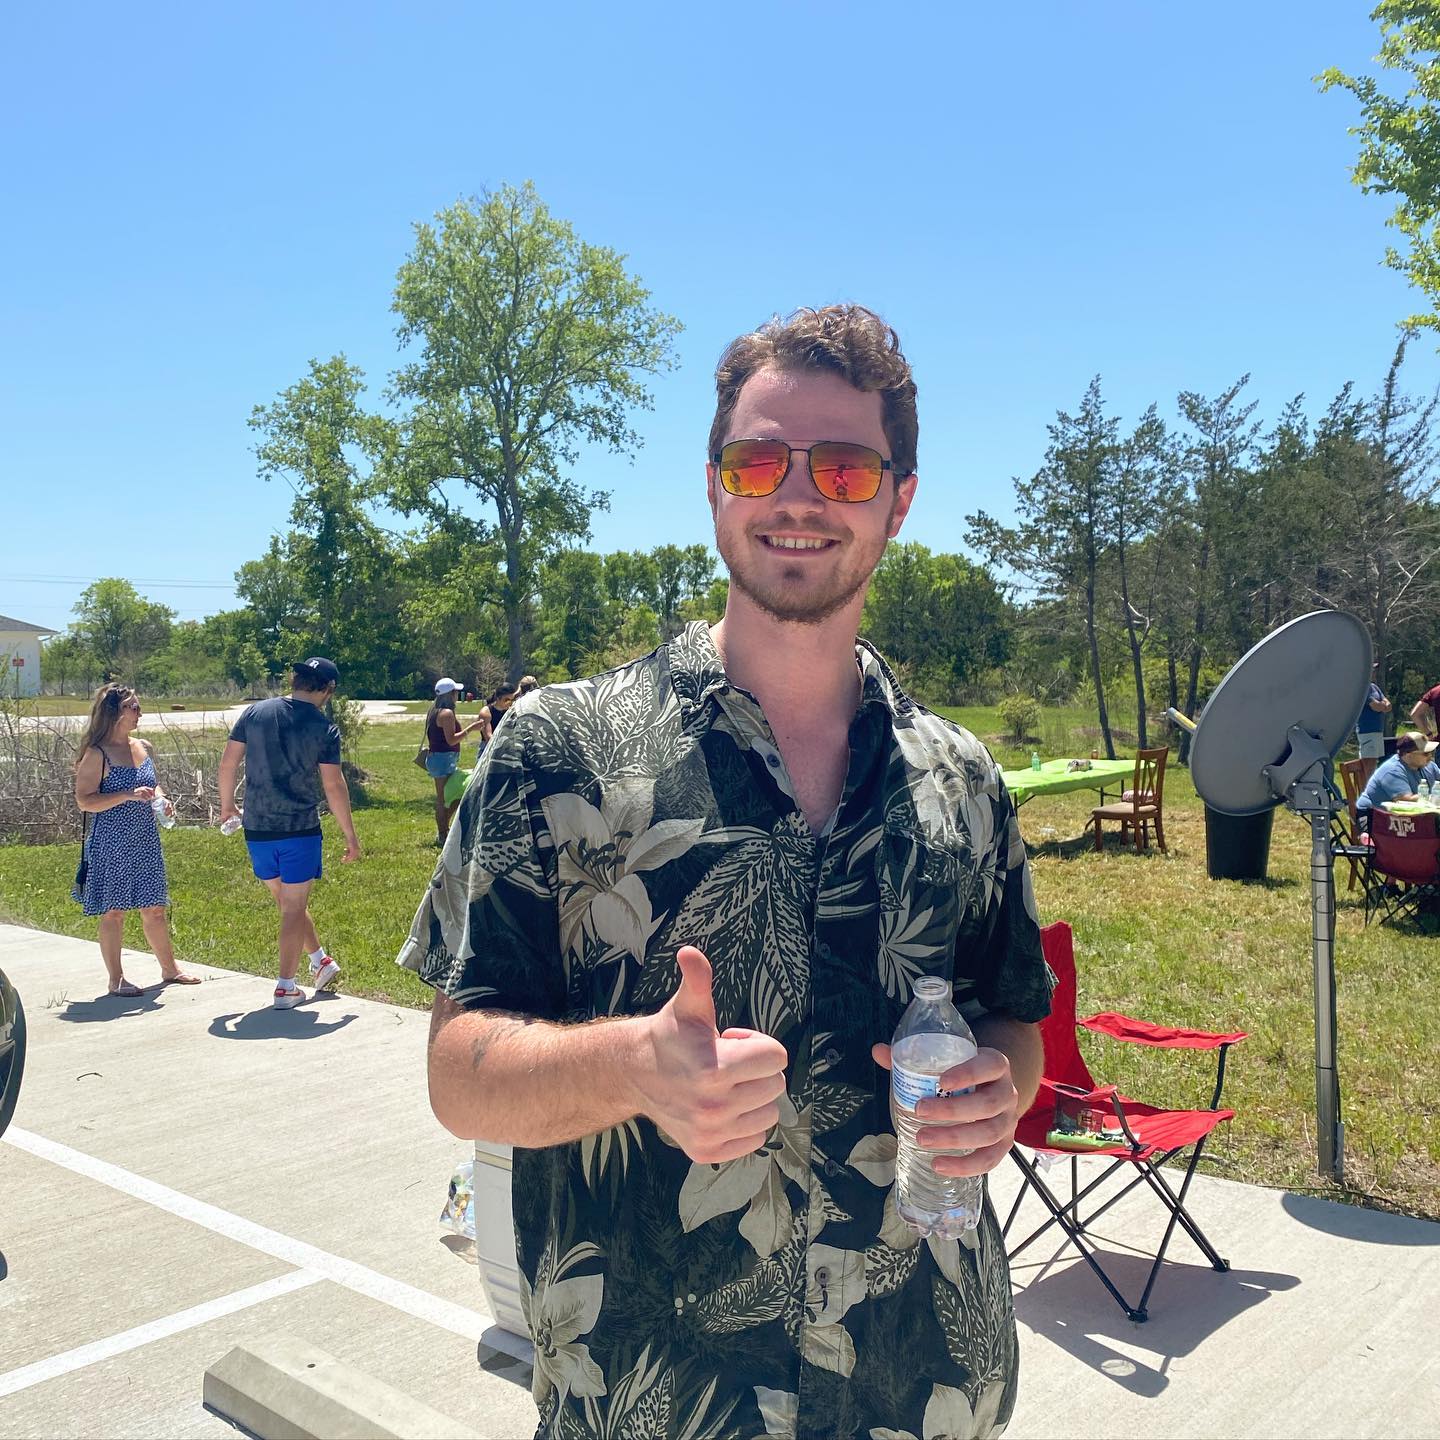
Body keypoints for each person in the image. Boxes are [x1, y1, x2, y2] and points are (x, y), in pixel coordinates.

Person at [402, 305, 1048, 1438]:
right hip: (653, 1400)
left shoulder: (963, 779)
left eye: (845, 469)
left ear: (899, 501)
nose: (798, 497)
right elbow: (461, 1073)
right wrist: (635, 1067)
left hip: (926, 1386)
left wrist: (999, 1093)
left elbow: (1014, 1024)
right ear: (714, 488)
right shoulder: (557, 751)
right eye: (759, 461)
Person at [218, 657, 360, 1009]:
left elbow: (228, 762)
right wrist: (350, 836)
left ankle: (320, 961)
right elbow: (334, 784)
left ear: (295, 680)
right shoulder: (323, 726)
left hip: (257, 828)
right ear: (328, 689)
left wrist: (227, 805)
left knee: (287, 904)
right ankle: (285, 986)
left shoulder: (255, 713)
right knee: (293, 907)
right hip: (299, 828)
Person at [72, 684, 199, 995]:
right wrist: (126, 795)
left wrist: (162, 799)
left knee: (154, 907)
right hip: (111, 840)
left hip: (145, 838)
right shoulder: (97, 753)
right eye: (134, 707)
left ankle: (170, 969)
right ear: (116, 713)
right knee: (113, 911)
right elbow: (84, 801)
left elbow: (153, 786)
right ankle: (116, 979)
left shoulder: (143, 746)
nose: (139, 713)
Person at [424, 677, 485, 845]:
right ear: (450, 694)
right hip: (443, 759)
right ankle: (442, 835)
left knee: (451, 795)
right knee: (443, 799)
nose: (457, 695)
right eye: (455, 692)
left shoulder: (434, 710)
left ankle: (444, 830)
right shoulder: (447, 714)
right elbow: (451, 740)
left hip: (440, 758)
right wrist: (471, 729)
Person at [1355, 730, 1440, 826]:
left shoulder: (1429, 766)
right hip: (1375, 817)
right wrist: (1435, 798)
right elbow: (1406, 801)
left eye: (1431, 752)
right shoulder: (1392, 770)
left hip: (1406, 818)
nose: (1430, 756)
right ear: (1408, 755)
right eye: (1425, 753)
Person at [1355, 661, 1391, 760]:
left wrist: (1382, 705)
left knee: (1375, 762)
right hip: (1367, 731)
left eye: (1374, 669)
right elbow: (1376, 706)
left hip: (1377, 731)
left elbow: (1388, 705)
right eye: (1372, 669)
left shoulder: (1374, 687)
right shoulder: (1363, 688)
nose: (1374, 672)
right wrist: (1382, 706)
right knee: (1368, 763)